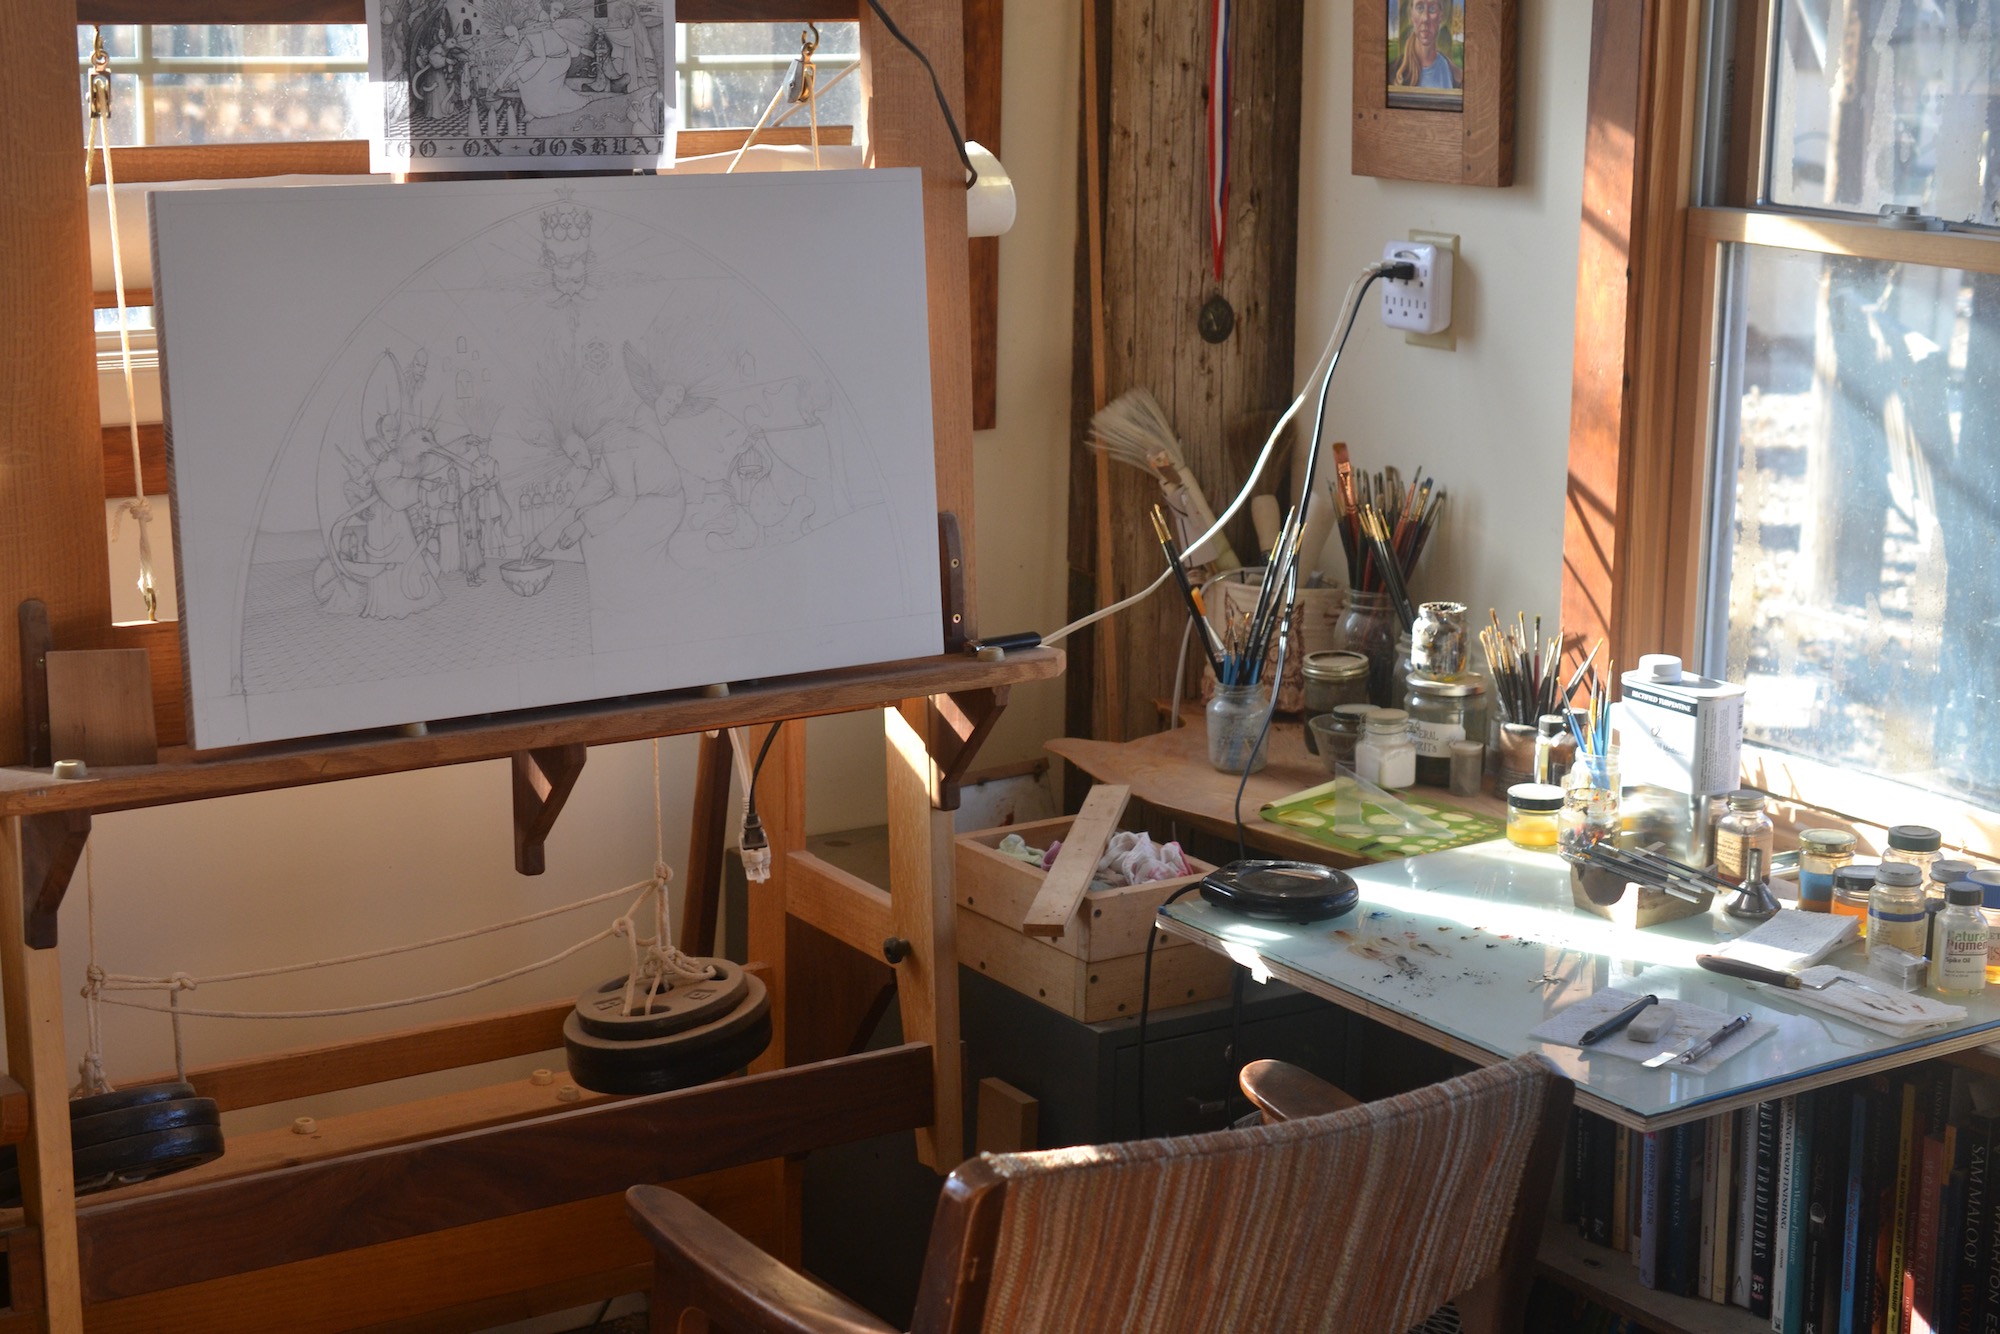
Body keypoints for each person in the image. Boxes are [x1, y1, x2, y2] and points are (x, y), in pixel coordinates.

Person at [1391, 0, 1459, 91]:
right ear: (1411, 15)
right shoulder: (1393, 72)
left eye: (1432, 9)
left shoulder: (1454, 74)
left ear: (1440, 16)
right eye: (1420, 8)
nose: (1425, 18)